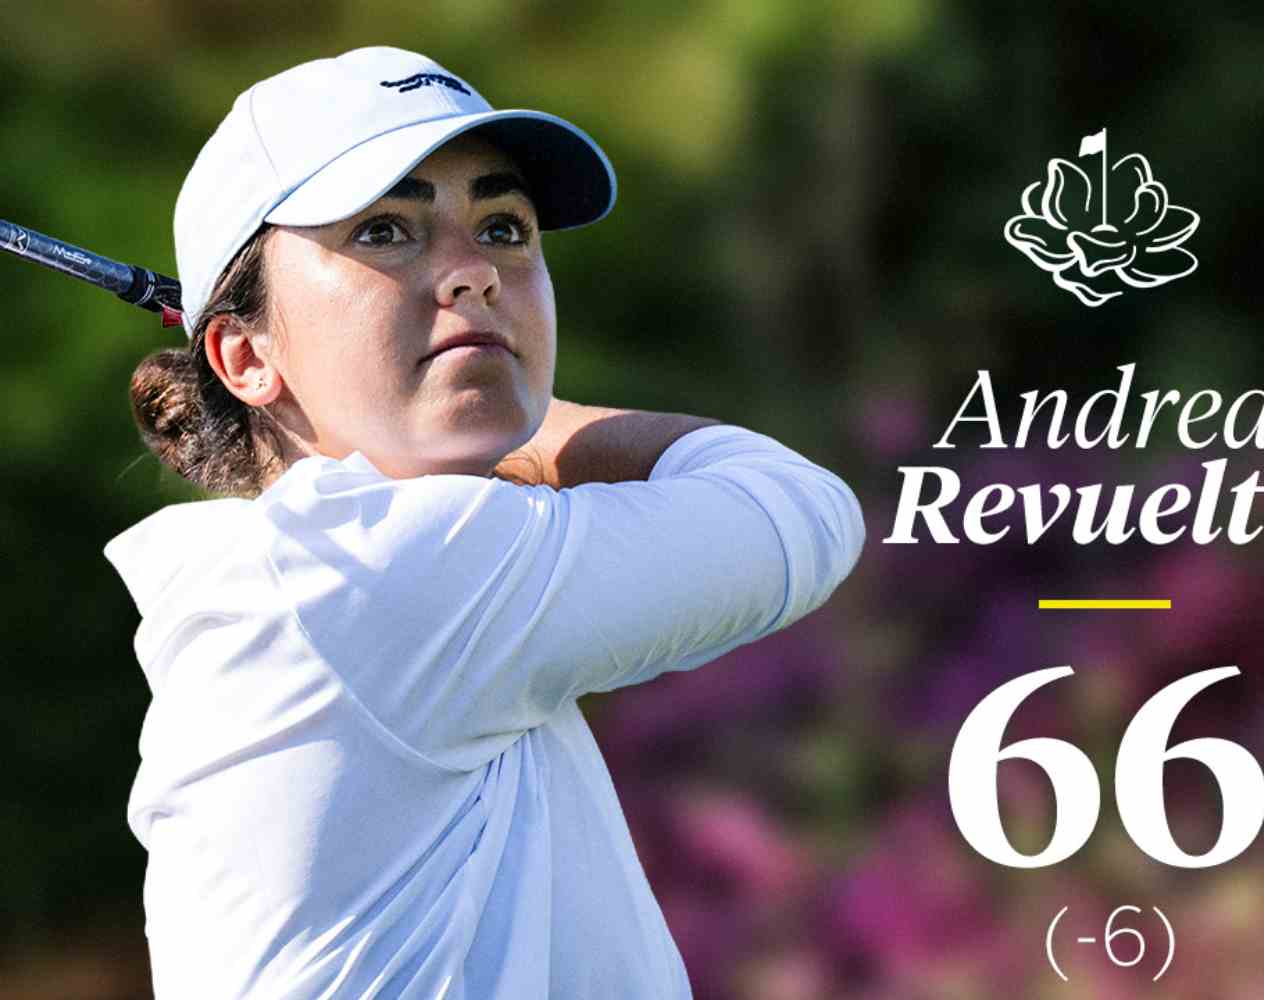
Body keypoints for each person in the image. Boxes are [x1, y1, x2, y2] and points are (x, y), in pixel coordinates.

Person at [103, 46, 864, 998]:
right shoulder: (360, 575)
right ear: (243, 357)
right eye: (385, 231)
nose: (474, 273)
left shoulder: (336, 582)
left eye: (503, 227)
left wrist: (480, 379)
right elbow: (798, 512)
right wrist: (522, 406)